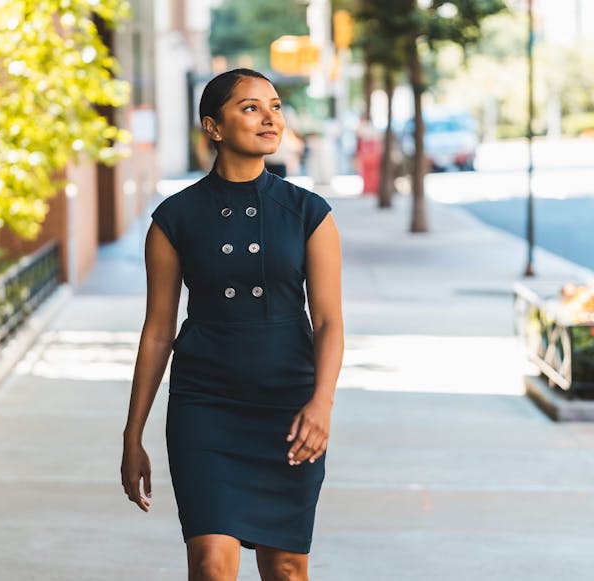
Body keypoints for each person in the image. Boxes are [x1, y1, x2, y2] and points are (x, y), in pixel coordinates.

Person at [121, 68, 344, 581]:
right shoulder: (174, 218)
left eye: (275, 107)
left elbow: (329, 321)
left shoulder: (309, 212)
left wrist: (322, 403)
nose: (270, 118)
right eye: (250, 108)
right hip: (206, 404)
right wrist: (133, 434)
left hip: (288, 406)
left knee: (286, 568)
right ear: (213, 127)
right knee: (210, 564)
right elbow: (158, 332)